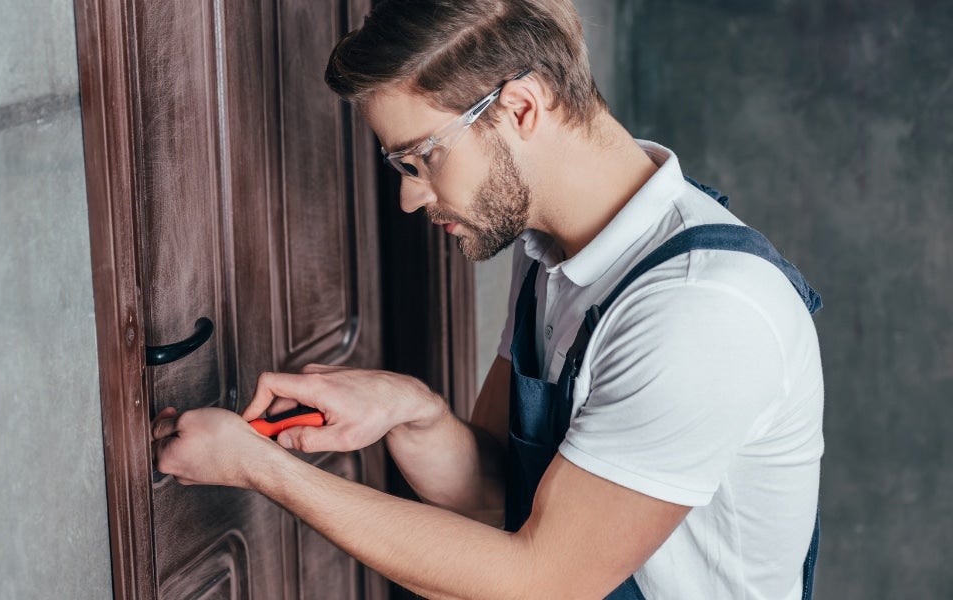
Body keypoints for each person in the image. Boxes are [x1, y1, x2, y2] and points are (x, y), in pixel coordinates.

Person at [152, 1, 825, 598]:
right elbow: (503, 496)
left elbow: (543, 581)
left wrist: (263, 469)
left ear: (522, 108)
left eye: (423, 158)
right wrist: (416, 415)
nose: (410, 197)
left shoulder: (698, 312)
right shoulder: (553, 254)